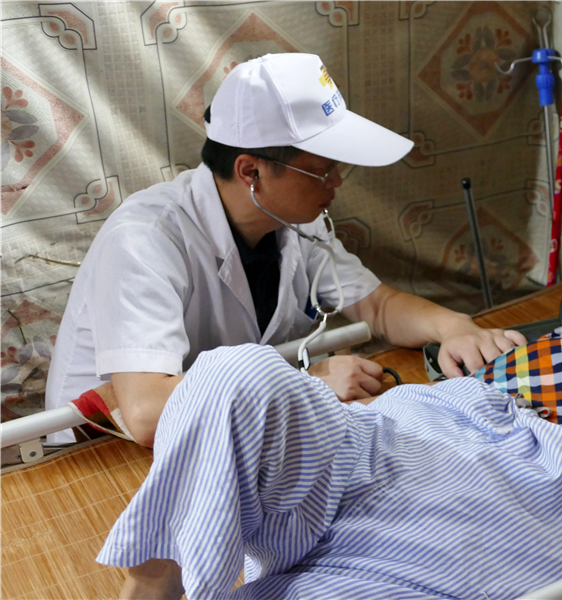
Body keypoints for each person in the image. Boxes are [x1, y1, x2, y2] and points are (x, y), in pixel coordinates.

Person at [98, 268, 562, 600]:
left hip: (524, 505)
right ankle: (158, 586)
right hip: (417, 426)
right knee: (236, 374)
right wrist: (457, 345)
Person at [45, 53, 526, 447]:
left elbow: (378, 306)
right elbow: (147, 412)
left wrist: (453, 327)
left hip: (230, 428)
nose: (337, 183)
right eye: (323, 170)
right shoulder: (146, 239)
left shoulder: (295, 220)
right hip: (101, 455)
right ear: (251, 171)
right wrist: (308, 386)